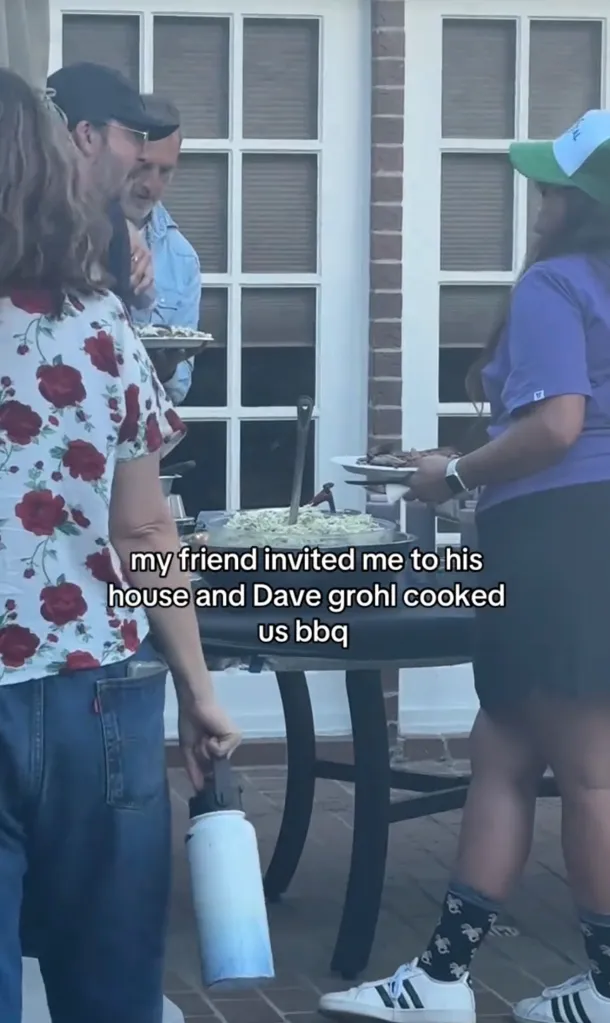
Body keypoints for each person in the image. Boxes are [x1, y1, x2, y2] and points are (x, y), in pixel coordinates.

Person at [319, 110, 610, 1023]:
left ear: (576, 200)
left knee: (592, 773)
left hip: (561, 545)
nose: (535, 201)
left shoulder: (557, 284)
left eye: (547, 186)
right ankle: (442, 977)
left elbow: (559, 425)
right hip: (583, 538)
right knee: (502, 752)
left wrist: (455, 473)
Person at [0, 68, 239, 1023]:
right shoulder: (99, 330)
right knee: (106, 984)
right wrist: (197, 686)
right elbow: (143, 526)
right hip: (93, 692)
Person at [46, 61, 179, 307]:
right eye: (136, 136)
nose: (141, 154)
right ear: (87, 135)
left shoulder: (114, 225)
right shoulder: (25, 224)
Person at [122, 94, 201, 405]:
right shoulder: (62, 229)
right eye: (142, 167)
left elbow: (178, 389)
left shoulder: (183, 259)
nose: (151, 186)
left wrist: (165, 369)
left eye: (165, 171)